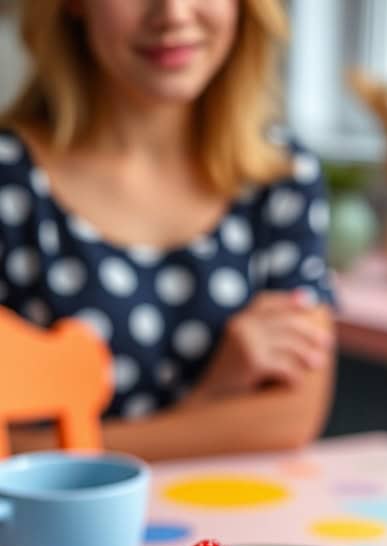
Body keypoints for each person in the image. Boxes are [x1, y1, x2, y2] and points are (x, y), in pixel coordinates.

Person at [0, 0, 336, 461]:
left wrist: (46, 450)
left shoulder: (280, 175)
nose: (174, 13)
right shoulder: (9, 182)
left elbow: (292, 416)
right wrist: (210, 400)